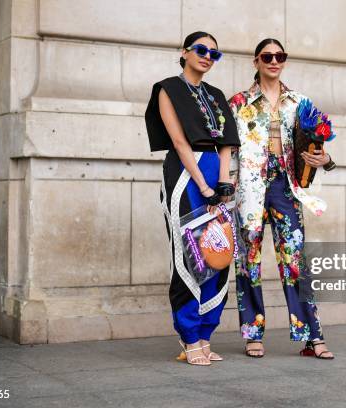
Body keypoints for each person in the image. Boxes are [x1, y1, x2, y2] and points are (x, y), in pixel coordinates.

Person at [229, 38, 337, 359]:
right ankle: (253, 334)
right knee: (248, 262)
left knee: (295, 261)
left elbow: (317, 143)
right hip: (249, 189)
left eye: (280, 56)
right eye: (267, 56)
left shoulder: (299, 102)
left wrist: (326, 160)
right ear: (256, 61)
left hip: (285, 188)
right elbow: (229, 153)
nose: (274, 61)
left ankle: (312, 336)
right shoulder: (239, 103)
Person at [145, 32, 240, 366]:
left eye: (215, 53)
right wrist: (205, 186)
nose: (207, 56)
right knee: (189, 256)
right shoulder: (167, 88)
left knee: (219, 252)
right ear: (185, 52)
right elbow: (179, 141)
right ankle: (188, 338)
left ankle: (204, 336)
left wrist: (224, 183)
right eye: (201, 50)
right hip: (186, 176)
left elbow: (228, 142)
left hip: (217, 172)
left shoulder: (216, 95)